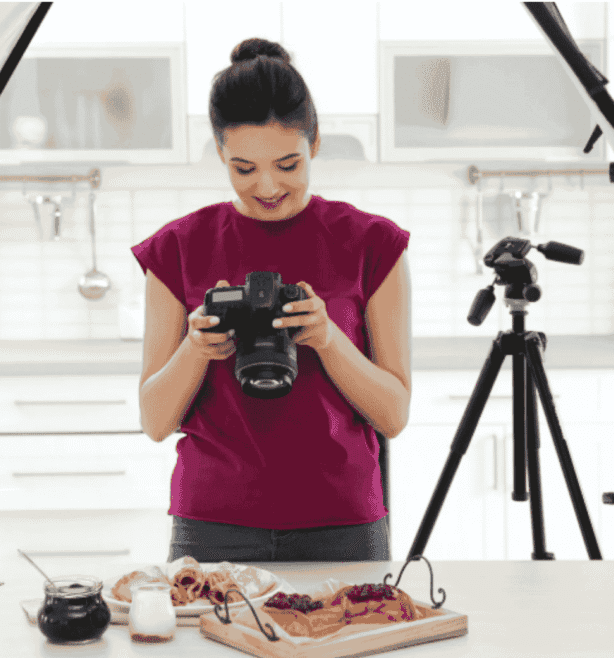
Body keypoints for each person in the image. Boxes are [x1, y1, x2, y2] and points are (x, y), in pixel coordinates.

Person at [131, 38, 411, 563]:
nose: (266, 186)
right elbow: (154, 421)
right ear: (220, 153)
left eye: (288, 164)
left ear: (315, 142)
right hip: (212, 522)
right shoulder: (176, 249)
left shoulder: (374, 244)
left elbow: (393, 414)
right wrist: (196, 347)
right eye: (243, 168)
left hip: (343, 519)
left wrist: (327, 340)